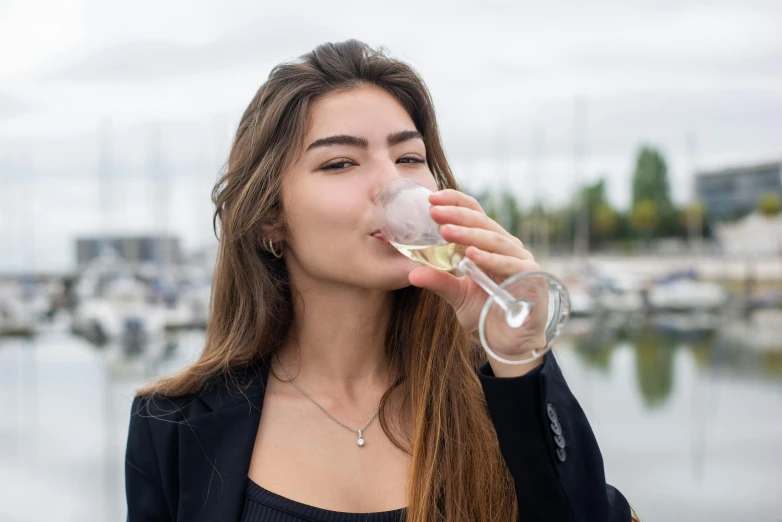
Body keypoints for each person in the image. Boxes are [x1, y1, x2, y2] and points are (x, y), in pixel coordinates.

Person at [125, 39, 638, 522]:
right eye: (341, 162)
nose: (393, 183)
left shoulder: (502, 399)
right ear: (270, 217)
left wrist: (520, 359)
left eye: (409, 158)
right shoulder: (174, 424)